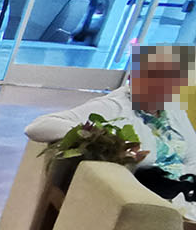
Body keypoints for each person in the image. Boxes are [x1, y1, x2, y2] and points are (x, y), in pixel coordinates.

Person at [25, 43, 196, 199]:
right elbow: (37, 127)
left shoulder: (172, 110)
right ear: (132, 78)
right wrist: (109, 140)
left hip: (184, 191)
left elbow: (193, 156)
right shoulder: (113, 106)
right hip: (146, 194)